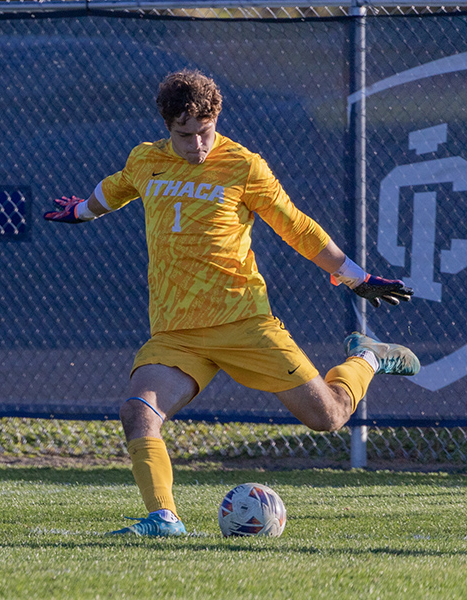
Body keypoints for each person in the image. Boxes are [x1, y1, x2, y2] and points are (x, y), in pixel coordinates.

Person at [44, 69, 419, 537]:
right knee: (139, 411)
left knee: (328, 417)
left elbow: (296, 227)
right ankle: (164, 518)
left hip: (243, 321)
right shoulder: (146, 161)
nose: (197, 145)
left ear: (215, 119)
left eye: (205, 132)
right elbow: (117, 188)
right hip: (177, 333)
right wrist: (81, 211)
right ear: (167, 127)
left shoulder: (243, 165)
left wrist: (355, 276)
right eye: (185, 135)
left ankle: (367, 357)